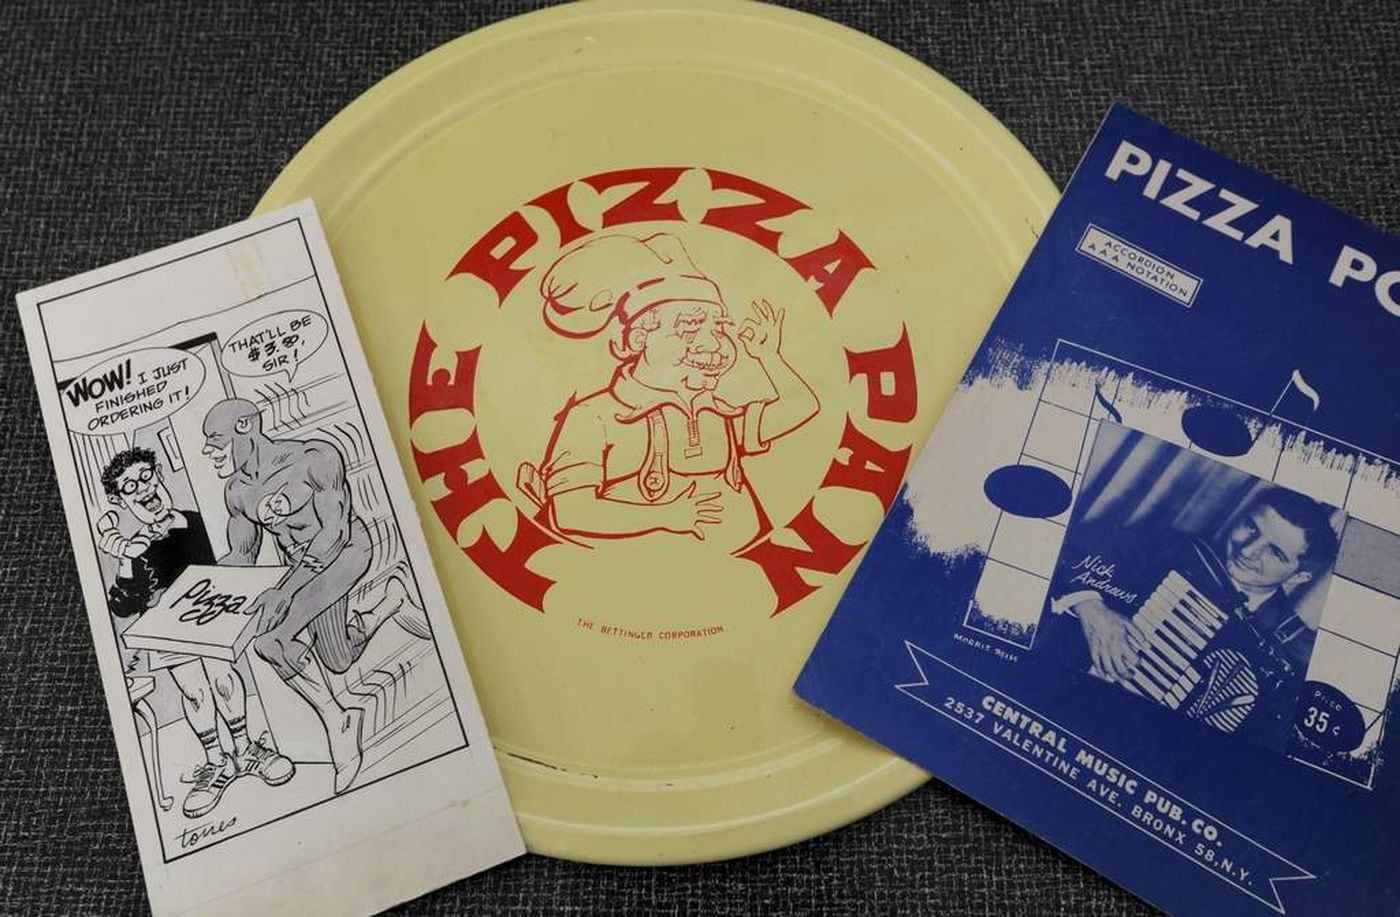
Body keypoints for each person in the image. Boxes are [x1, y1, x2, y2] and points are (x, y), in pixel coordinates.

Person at [516, 232, 820, 552]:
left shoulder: (719, 414)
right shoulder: (595, 417)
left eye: (718, 327)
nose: (714, 344)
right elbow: (572, 512)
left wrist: (770, 357)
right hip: (627, 574)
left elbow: (804, 406)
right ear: (639, 339)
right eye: (690, 327)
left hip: (745, 568)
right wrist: (666, 517)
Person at [201, 398, 427, 793]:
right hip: (300, 569)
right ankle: (391, 601)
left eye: (215, 439)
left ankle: (339, 721)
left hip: (345, 553)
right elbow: (242, 555)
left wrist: (284, 592)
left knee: (271, 641)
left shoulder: (314, 457)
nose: (208, 450)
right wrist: (198, 588)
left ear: (245, 427)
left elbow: (335, 533)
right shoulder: (236, 491)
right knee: (338, 660)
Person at [1047, 486, 1339, 739]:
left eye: (1275, 552)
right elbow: (1068, 548)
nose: (1248, 550)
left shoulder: (1292, 653)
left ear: (1299, 576)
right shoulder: (1171, 547)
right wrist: (1089, 606)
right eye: (1251, 527)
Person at [98, 447, 293, 819]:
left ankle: (245, 749)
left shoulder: (198, 521)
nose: (143, 488)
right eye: (130, 487)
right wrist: (125, 558)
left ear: (158, 474)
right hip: (167, 628)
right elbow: (122, 606)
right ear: (120, 500)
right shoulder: (135, 547)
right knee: (194, 691)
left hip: (212, 613)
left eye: (145, 477)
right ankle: (216, 762)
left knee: (223, 678)